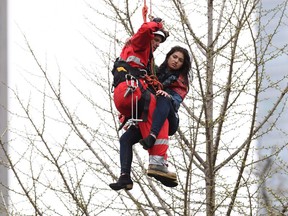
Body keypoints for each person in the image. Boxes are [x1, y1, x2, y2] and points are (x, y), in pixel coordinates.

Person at [109, 6, 176, 190]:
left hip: (127, 98)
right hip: (133, 93)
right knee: (157, 111)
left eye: (158, 42)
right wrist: (157, 23)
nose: (156, 44)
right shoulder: (139, 44)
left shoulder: (144, 58)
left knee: (126, 140)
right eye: (155, 39)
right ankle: (157, 161)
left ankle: (125, 177)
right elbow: (145, 30)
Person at [139, 46, 191, 150]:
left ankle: (152, 136)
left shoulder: (182, 82)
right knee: (125, 139)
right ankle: (124, 167)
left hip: (171, 118)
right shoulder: (156, 72)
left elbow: (176, 102)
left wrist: (168, 96)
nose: (176, 61)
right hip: (153, 114)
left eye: (180, 60)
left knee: (164, 97)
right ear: (168, 57)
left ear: (183, 64)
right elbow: (146, 62)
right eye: (174, 57)